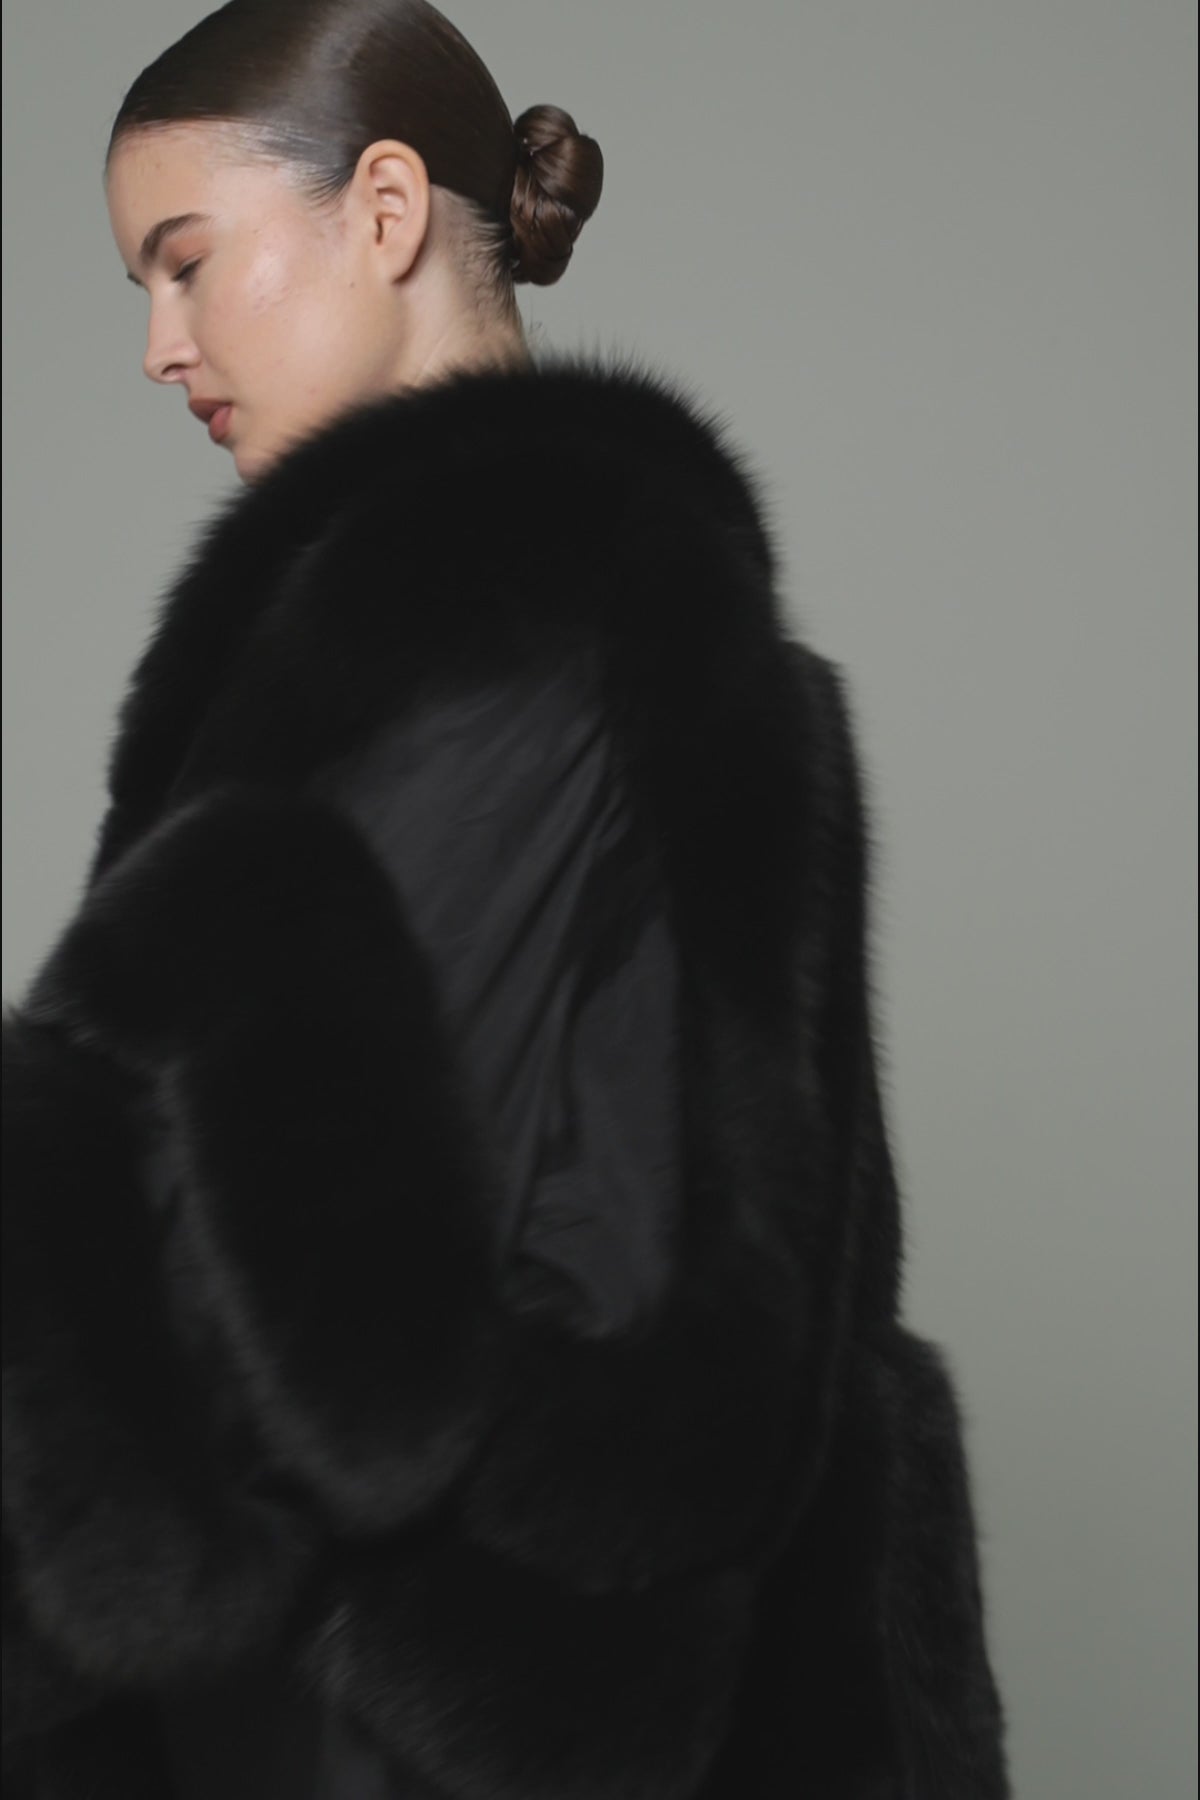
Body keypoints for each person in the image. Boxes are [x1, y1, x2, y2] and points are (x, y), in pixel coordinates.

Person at [1, 2, 1011, 1796]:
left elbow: (306, 1295)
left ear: (386, 209)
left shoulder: (499, 649)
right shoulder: (631, 630)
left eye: (187, 261)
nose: (160, 346)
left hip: (412, 1727)